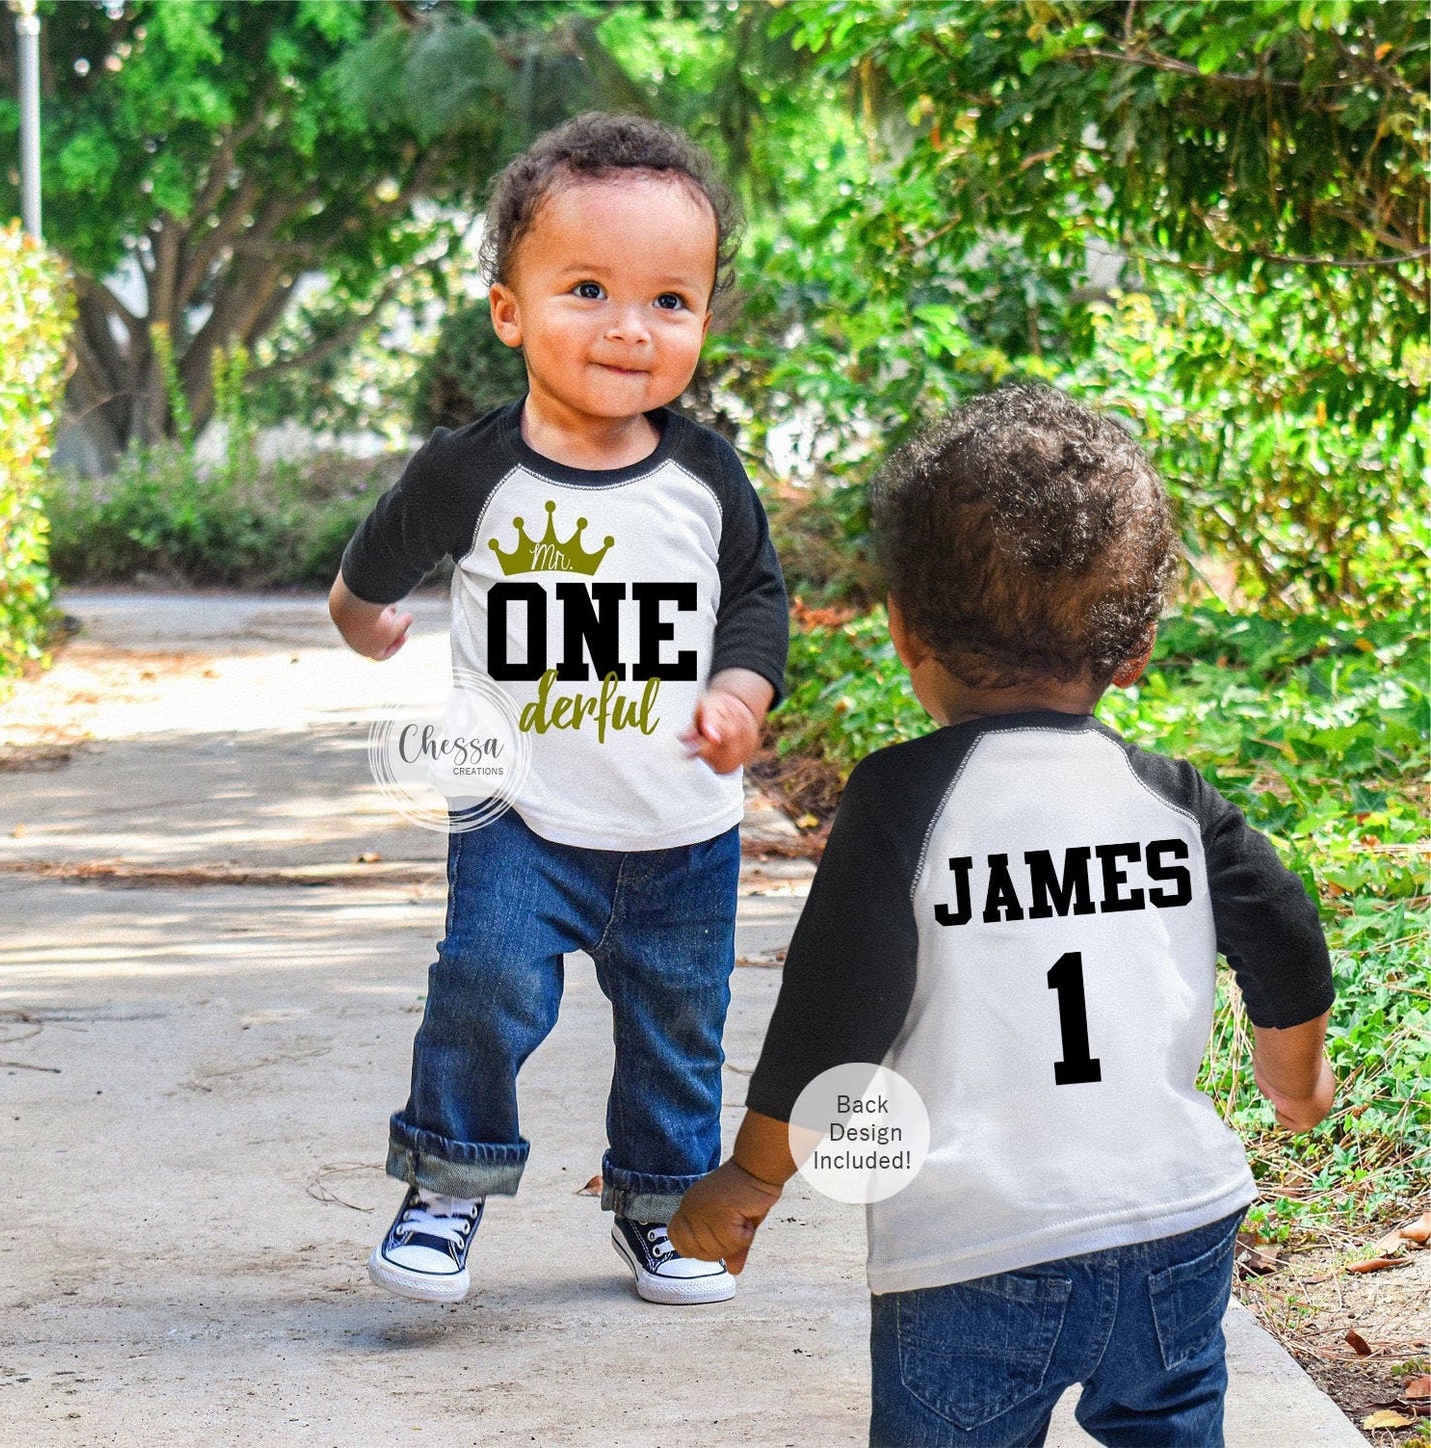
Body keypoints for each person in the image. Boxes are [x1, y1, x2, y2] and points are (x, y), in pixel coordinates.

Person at [669, 385, 1335, 1443]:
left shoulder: (901, 801)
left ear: (902, 632)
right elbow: (1285, 930)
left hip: (976, 1249)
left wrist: (751, 1176)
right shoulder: (1173, 797)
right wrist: (1291, 1078)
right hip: (1174, 1223)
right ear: (1136, 645)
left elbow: (833, 1013)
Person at [329, 113, 788, 1307]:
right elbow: (376, 556)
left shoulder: (706, 476)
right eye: (587, 289)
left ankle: (660, 1204)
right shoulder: (470, 470)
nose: (630, 327)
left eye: (669, 301)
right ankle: (446, 1183)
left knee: (680, 1027)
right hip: (518, 817)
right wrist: (360, 614)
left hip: (680, 827)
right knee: (479, 987)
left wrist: (740, 688)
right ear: (509, 310)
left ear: (701, 318)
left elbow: (754, 598)